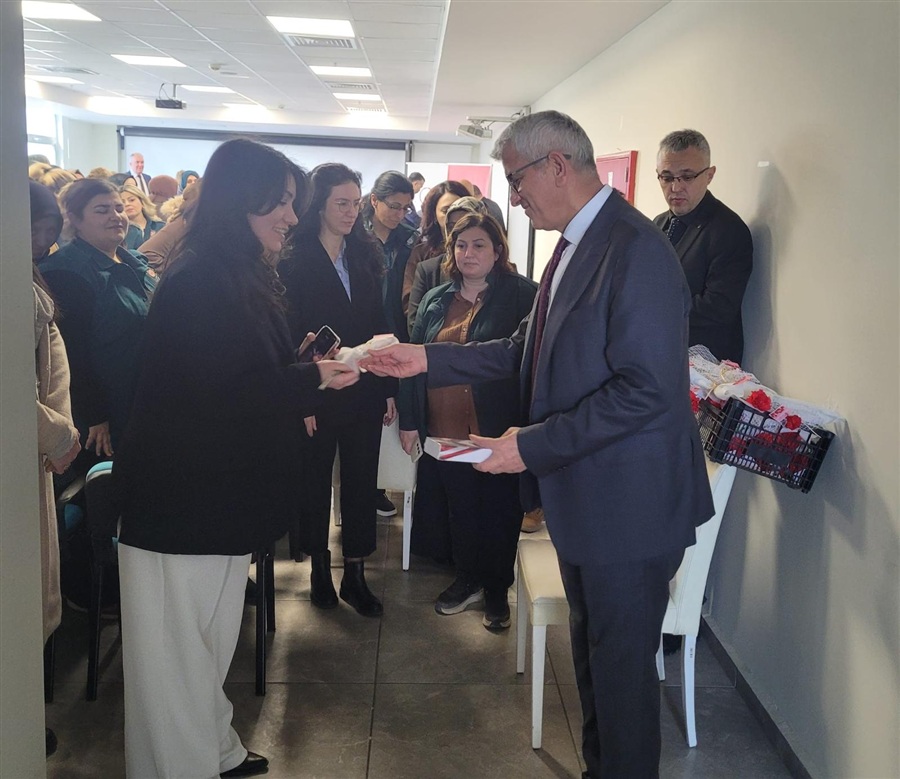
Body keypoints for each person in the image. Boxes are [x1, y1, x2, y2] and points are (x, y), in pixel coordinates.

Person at [360, 110, 715, 778]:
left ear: (556, 165)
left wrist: (532, 445)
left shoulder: (635, 250)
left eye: (517, 180)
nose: (514, 197)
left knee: (621, 684)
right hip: (590, 499)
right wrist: (426, 358)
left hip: (629, 507)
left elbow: (646, 391)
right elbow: (523, 348)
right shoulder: (578, 240)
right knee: (595, 668)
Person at [113, 138, 358, 779]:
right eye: (278, 203)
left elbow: (242, 371)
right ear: (237, 201)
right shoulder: (198, 278)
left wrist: (301, 367)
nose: (291, 216)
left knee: (207, 643)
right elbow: (223, 393)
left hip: (220, 496)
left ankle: (214, 750)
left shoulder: (238, 270)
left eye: (292, 203)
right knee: (175, 657)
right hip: (180, 497)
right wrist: (313, 378)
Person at [399, 212, 536, 629]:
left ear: (497, 251)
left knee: (500, 509)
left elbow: (522, 360)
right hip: (445, 425)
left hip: (497, 426)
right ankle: (467, 578)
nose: (468, 253)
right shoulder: (435, 299)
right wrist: (409, 420)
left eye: (479, 245)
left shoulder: (522, 295)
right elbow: (414, 361)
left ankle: (497, 589)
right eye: (460, 245)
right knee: (460, 507)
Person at [279, 163, 397, 617]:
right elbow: (288, 333)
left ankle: (355, 573)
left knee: (362, 481)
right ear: (318, 206)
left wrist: (387, 385)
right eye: (341, 203)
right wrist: (302, 398)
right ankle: (318, 570)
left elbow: (379, 323)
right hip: (317, 387)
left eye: (355, 203)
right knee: (314, 481)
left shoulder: (364, 253)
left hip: (363, 384)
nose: (350, 212)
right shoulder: (293, 258)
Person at [38, 178, 157, 467]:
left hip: (143, 400)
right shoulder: (65, 271)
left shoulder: (134, 262)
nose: (116, 216)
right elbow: (71, 353)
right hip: (104, 414)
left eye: (119, 208)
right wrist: (95, 414)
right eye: (102, 210)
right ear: (75, 219)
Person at [30, 181, 81, 758]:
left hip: (41, 450)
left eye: (49, 232)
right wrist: (59, 433)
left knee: (39, 591)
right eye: (35, 230)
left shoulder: (31, 277)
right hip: (31, 448)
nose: (44, 242)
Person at [653, 129, 753, 364]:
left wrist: (651, 309)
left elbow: (718, 307)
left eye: (687, 177)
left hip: (704, 368)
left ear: (709, 175)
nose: (675, 188)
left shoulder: (729, 229)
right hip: (657, 352)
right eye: (666, 177)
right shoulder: (658, 223)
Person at [407, 195, 487, 335]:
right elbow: (415, 326)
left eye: (465, 224)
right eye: (451, 226)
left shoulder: (507, 278)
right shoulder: (429, 270)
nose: (456, 230)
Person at [402, 180, 471, 320]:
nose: (453, 216)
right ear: (434, 214)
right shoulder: (422, 254)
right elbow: (410, 304)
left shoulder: (484, 251)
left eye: (459, 210)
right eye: (446, 210)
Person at [120, 184, 165, 250]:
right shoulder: (119, 232)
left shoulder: (161, 226)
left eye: (132, 200)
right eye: (122, 202)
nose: (127, 204)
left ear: (142, 202)